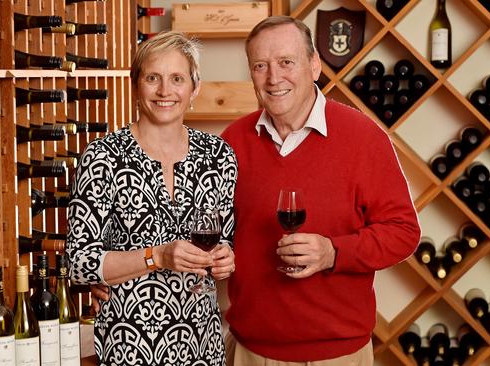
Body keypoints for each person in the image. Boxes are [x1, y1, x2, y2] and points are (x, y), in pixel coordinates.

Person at [218, 16, 421, 365]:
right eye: (260, 66)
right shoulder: (232, 142)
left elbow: (403, 233)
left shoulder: (363, 138)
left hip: (339, 355)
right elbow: (202, 231)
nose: (273, 77)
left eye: (286, 62)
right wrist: (117, 277)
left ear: (314, 65)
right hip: (252, 352)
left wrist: (333, 253)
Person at [66, 31, 237, 366]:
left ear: (194, 89)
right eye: (153, 78)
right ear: (135, 86)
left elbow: (225, 243)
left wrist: (226, 260)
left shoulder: (218, 156)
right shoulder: (103, 157)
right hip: (127, 346)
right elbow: (80, 264)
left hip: (202, 346)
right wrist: (157, 256)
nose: (165, 91)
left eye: (177, 79)